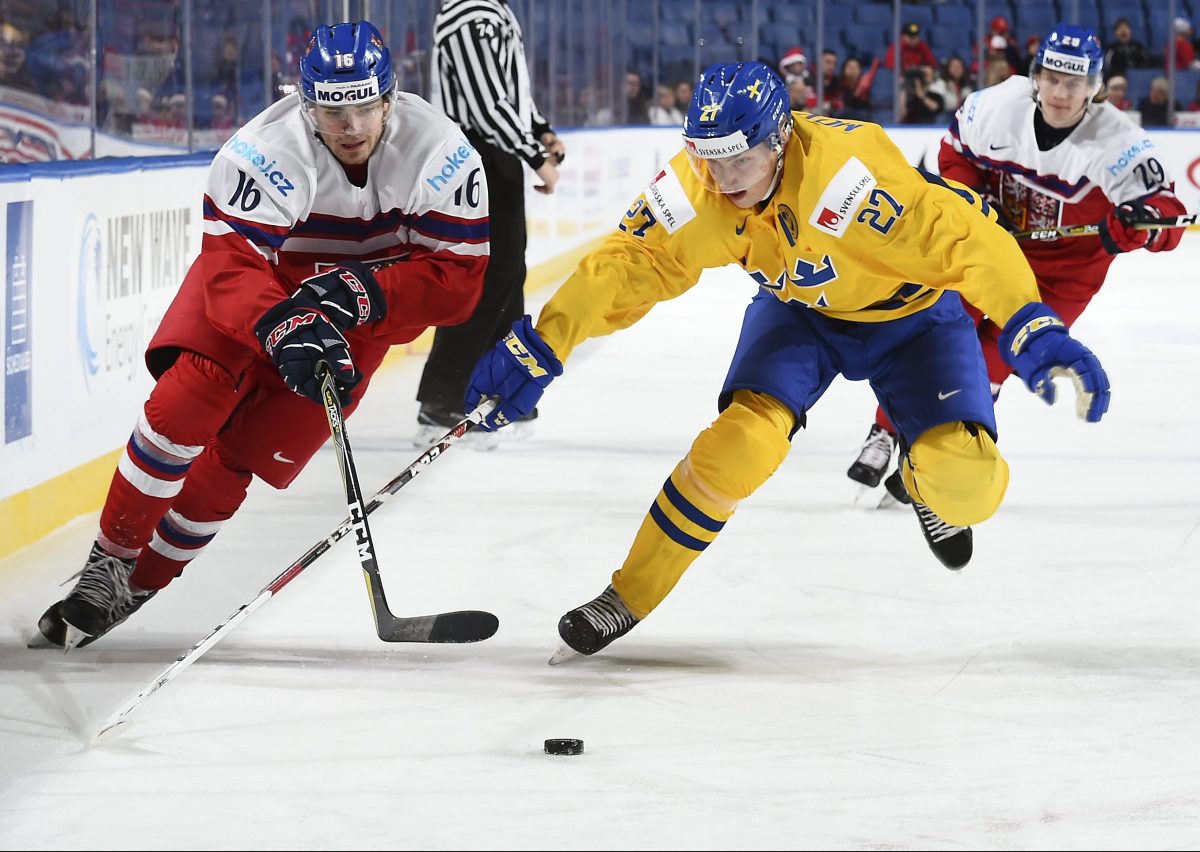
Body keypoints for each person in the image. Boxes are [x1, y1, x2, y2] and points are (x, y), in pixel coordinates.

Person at [463, 61, 1110, 661]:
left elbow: (965, 238)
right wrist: (543, 343)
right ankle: (626, 596)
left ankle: (920, 480)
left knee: (967, 486)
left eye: (739, 161)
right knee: (738, 447)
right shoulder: (698, 179)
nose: (723, 180)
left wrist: (1030, 324)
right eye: (708, 159)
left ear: (779, 141)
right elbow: (630, 264)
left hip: (912, 320)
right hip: (800, 314)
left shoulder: (849, 179)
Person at [34, 21, 489, 649]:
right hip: (256, 292)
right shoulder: (263, 152)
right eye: (333, 109)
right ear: (307, 104)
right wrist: (282, 321)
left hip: (362, 311)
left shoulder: (442, 155)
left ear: (389, 99)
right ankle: (107, 566)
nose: (350, 126)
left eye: (364, 105)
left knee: (242, 457)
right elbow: (231, 267)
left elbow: (459, 280)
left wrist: (364, 293)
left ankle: (142, 584)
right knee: (188, 401)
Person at [846, 24, 1186, 504]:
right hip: (990, 251)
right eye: (1052, 78)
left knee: (993, 361)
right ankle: (884, 430)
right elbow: (953, 154)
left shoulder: (1121, 142)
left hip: (1062, 279)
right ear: (1035, 77)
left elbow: (1167, 221)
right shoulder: (997, 107)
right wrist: (975, 201)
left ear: (1094, 87)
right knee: (937, 334)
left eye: (1074, 83)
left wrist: (1138, 226)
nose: (1061, 92)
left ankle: (939, 457)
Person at [414, 0, 565, 444]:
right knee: (485, 273)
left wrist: (539, 130)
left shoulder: (488, 9)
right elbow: (484, 105)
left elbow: (507, 92)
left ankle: (498, 388)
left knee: (505, 271)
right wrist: (536, 154)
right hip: (473, 154)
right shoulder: (468, 12)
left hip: (493, 152)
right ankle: (443, 398)